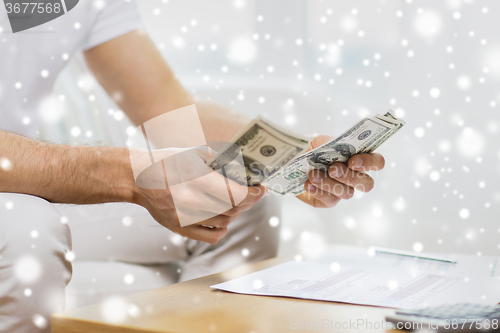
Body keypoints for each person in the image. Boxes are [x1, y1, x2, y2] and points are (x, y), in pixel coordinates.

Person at [0, 1, 385, 332]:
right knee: (29, 231)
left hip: (33, 183)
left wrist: (296, 160)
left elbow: (168, 113)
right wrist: (132, 175)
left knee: (240, 195)